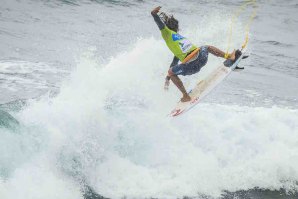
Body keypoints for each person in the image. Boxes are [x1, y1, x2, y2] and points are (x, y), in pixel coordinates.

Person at [151, 6, 237, 102]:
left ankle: (185, 95)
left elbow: (174, 64)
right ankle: (229, 56)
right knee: (206, 47)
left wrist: (168, 76)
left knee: (172, 71)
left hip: (191, 66)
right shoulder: (168, 34)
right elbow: (160, 25)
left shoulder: (173, 37)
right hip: (200, 60)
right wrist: (154, 14)